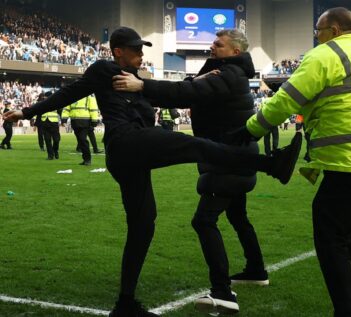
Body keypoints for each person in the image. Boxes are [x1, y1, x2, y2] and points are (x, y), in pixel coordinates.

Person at [3, 26, 302, 317]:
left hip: (136, 154)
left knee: (144, 224)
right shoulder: (102, 70)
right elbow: (68, 93)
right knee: (196, 145)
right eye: (135, 50)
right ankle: (270, 165)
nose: (141, 55)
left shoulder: (136, 78)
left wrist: (197, 78)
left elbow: (173, 93)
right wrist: (26, 112)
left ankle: (125, 303)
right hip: (126, 144)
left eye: (142, 50)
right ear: (118, 52)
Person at [232, 7, 351, 317]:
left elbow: (287, 98)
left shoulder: (325, 54)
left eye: (317, 31)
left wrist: (251, 129)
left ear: (332, 30)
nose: (315, 37)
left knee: (332, 238)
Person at [112, 28, 271, 315]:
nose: (212, 47)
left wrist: (142, 86)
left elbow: (186, 93)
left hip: (228, 159)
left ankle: (222, 292)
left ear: (235, 52)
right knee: (238, 215)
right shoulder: (227, 72)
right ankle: (257, 269)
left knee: (204, 221)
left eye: (218, 44)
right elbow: (194, 85)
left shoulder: (228, 75)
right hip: (237, 156)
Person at [62, 95, 99, 165]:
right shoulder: (71, 96)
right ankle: (85, 159)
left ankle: (88, 159)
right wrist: (64, 119)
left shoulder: (89, 97)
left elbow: (93, 109)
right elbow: (66, 108)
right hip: (75, 122)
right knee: (80, 140)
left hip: (85, 122)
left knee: (82, 139)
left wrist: (94, 120)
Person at [39, 91, 61, 160]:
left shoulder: (57, 102)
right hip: (45, 122)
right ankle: (50, 155)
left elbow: (60, 111)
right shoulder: (42, 103)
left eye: (46, 97)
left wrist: (62, 121)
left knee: (56, 140)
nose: (45, 98)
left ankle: (55, 150)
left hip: (54, 122)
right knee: (47, 140)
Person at [262, 91, 279, 156]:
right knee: (275, 137)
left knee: (266, 138)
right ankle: (274, 150)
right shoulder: (275, 99)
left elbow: (261, 110)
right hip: (274, 120)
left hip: (266, 121)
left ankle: (267, 152)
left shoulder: (264, 100)